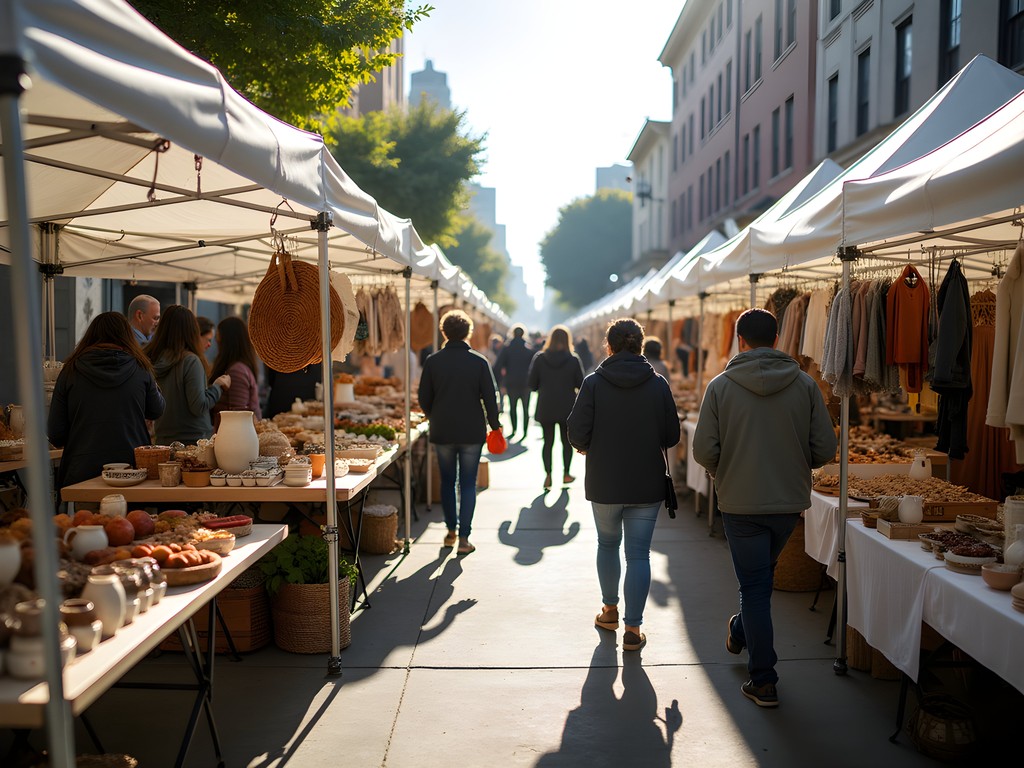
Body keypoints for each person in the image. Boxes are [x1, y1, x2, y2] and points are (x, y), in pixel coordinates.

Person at [692, 308, 837, 708]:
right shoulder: (805, 385)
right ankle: (740, 631)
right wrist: (793, 462)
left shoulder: (720, 386)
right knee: (759, 583)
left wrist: (727, 472)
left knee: (754, 587)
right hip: (787, 503)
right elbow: (825, 448)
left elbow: (704, 449)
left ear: (740, 340)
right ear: (777, 340)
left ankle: (764, 679)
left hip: (739, 503)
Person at [567, 318, 680, 653]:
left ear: (609, 346)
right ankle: (634, 628)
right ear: (641, 345)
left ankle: (609, 610)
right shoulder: (658, 384)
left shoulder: (594, 383)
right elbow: (671, 435)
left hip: (604, 478)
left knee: (607, 544)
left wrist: (588, 445)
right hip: (646, 480)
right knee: (639, 554)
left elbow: (576, 430)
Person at [47, 312, 165, 491]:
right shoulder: (141, 368)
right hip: (132, 470)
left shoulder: (70, 370)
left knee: (87, 520)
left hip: (82, 471)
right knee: (133, 519)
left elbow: (56, 433)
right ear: (126, 336)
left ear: (91, 335)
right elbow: (156, 410)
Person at [418, 309, 502, 556]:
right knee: (467, 483)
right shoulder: (479, 361)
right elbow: (490, 398)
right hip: (471, 430)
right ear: (468, 332)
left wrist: (435, 414)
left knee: (447, 481)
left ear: (443, 332)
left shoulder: (433, 361)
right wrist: (495, 425)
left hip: (442, 428)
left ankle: (450, 531)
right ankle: (464, 537)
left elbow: (423, 398)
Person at [145, 304, 230, 445]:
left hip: (163, 440)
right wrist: (217, 387)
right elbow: (198, 405)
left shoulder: (151, 360)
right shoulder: (190, 361)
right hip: (194, 442)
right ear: (192, 330)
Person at [528, 325, 584, 490]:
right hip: (567, 406)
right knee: (566, 443)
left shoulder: (540, 358)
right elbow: (580, 383)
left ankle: (548, 475)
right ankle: (566, 473)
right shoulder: (573, 359)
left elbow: (532, 385)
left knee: (548, 442)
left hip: (546, 405)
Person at [209, 316, 262, 430]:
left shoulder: (236, 371)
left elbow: (238, 413)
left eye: (218, 338)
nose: (215, 342)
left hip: (233, 438)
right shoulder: (240, 368)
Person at [493, 324, 535, 440]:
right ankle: (525, 431)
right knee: (525, 408)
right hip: (526, 383)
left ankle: (514, 429)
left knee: (512, 407)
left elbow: (497, 366)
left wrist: (500, 382)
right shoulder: (528, 349)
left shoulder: (506, 349)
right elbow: (534, 367)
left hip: (511, 382)